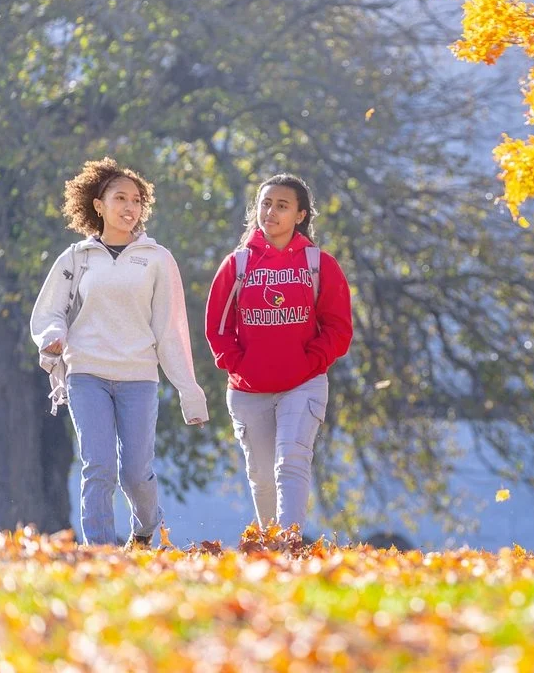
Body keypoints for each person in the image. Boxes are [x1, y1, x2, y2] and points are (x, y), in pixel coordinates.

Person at [30, 158, 209, 548]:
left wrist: (188, 390)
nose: (130, 207)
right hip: (86, 374)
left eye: (137, 200)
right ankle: (100, 551)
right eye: (120, 198)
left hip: (138, 378)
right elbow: (50, 312)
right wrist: (53, 337)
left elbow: (170, 328)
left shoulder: (157, 259)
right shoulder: (76, 258)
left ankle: (145, 530)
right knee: (99, 467)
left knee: (135, 474)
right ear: (98, 204)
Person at [205, 174, 353, 531]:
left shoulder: (319, 265)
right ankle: (271, 545)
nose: (270, 212)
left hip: (303, 385)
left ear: (300, 215)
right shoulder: (237, 264)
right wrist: (240, 365)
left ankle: (289, 545)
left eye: (282, 206)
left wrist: (310, 362)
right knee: (261, 474)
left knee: (291, 461)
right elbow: (218, 328)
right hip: (247, 390)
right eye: (265, 204)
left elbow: (338, 328)